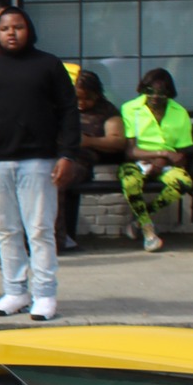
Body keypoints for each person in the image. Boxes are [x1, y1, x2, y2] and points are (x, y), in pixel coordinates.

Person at [0, 8, 78, 321]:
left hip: (39, 161)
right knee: (6, 230)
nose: (11, 33)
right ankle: (15, 291)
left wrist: (67, 154)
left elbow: (69, 111)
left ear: (29, 30)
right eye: (5, 28)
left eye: (18, 27)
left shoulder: (48, 65)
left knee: (39, 229)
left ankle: (45, 294)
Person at [116, 69, 193, 254]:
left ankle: (140, 220)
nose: (154, 96)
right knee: (130, 182)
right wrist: (162, 154)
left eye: (160, 93)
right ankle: (148, 231)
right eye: (149, 91)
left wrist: (162, 162)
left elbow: (183, 152)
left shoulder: (179, 112)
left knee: (184, 182)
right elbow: (131, 151)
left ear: (169, 93)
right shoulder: (130, 109)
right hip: (138, 161)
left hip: (167, 164)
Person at [56, 69, 125, 252]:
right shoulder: (63, 106)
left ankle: (59, 238)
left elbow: (118, 141)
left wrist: (89, 141)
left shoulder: (107, 111)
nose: (81, 103)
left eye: (87, 98)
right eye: (77, 98)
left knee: (56, 181)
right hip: (55, 158)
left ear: (97, 94)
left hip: (80, 163)